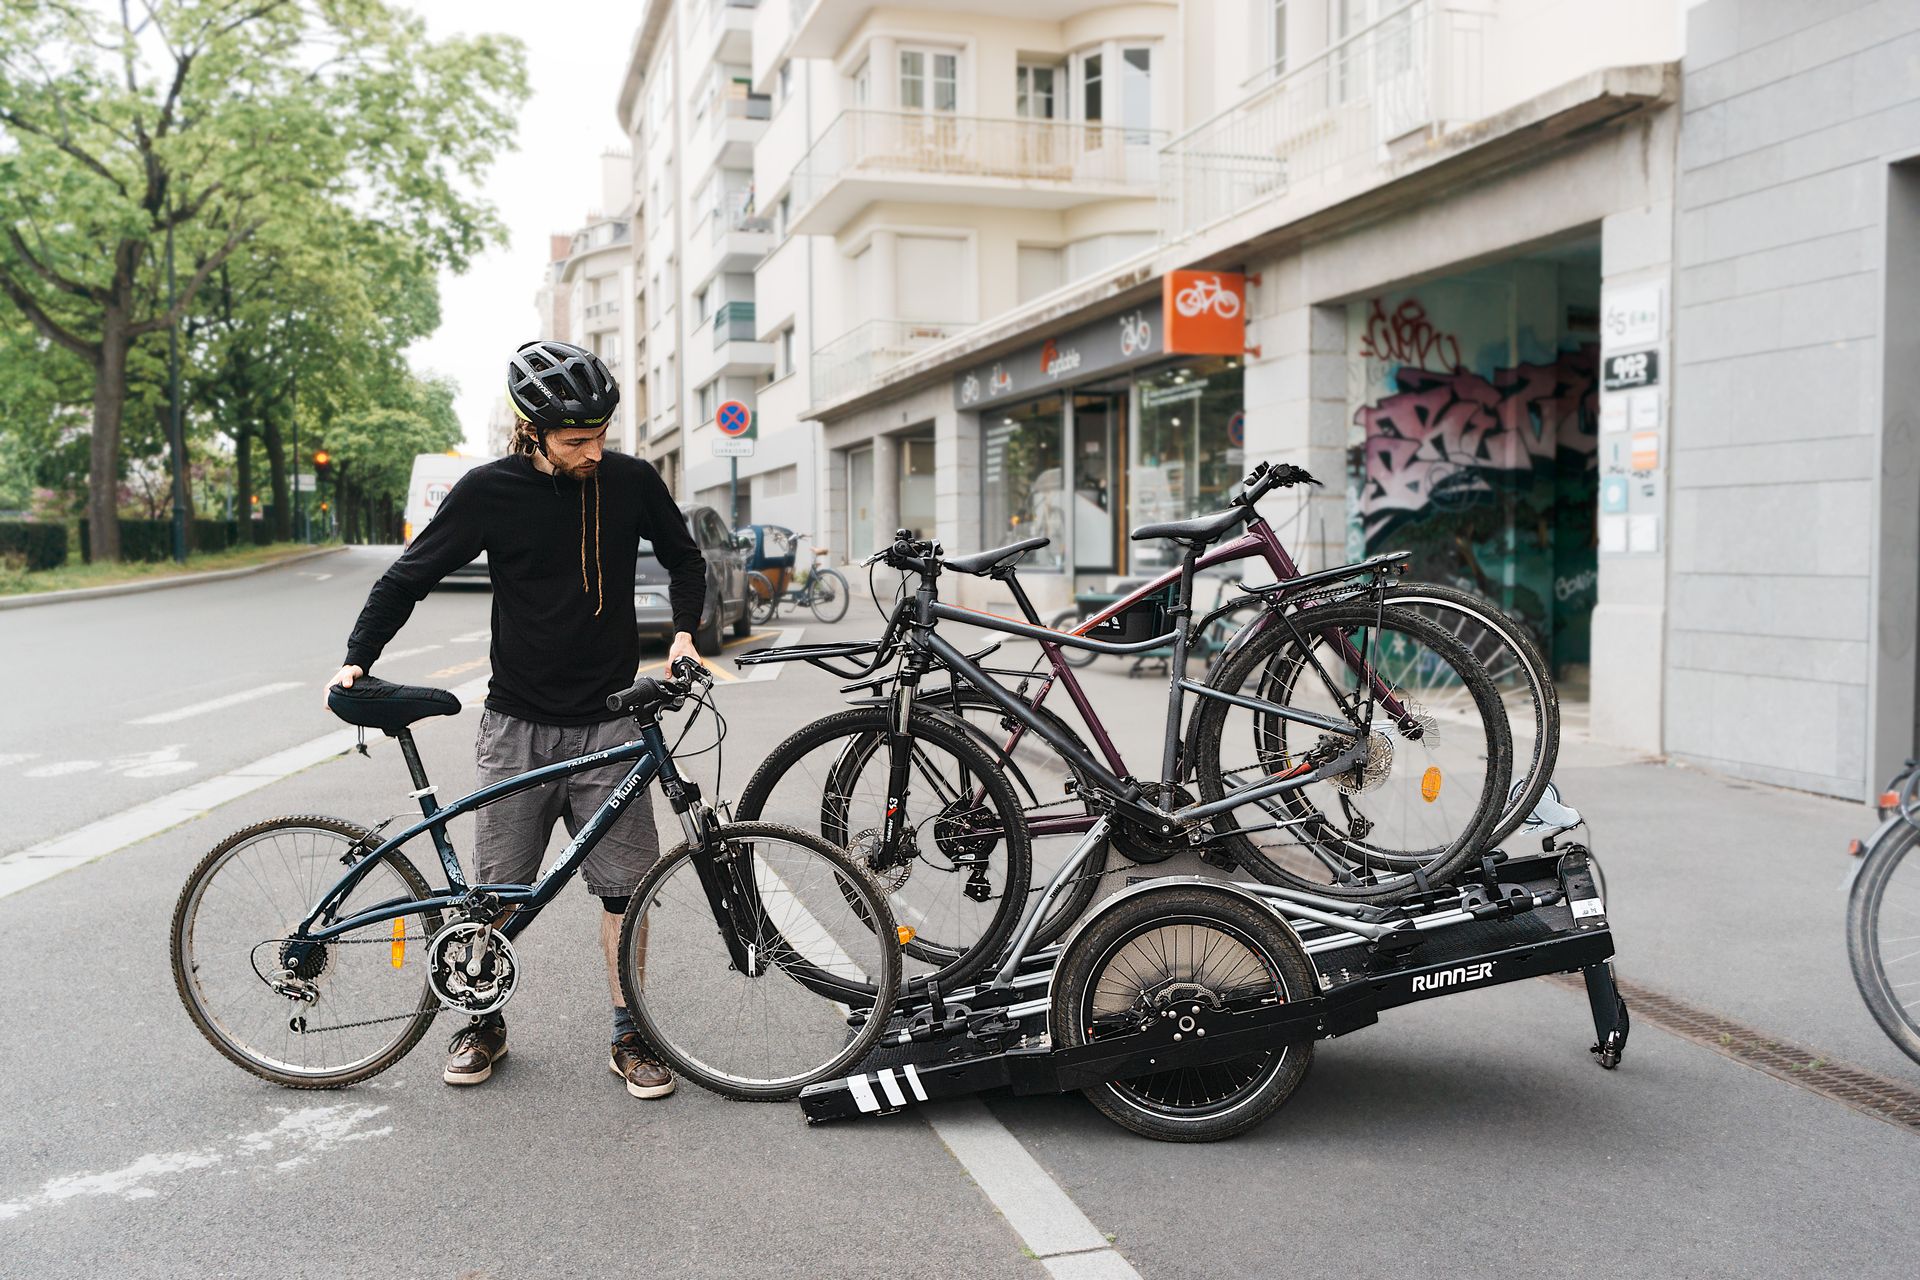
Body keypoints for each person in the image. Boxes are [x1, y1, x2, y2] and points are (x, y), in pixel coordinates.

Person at [326, 339, 705, 1099]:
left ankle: (631, 1034)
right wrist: (357, 656)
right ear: (531, 429)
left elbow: (684, 557)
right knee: (495, 897)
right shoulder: (488, 491)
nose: (595, 451)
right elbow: (411, 575)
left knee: (626, 896)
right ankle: (483, 1022)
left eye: (601, 435)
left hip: (611, 723)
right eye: (577, 440)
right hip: (517, 725)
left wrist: (687, 634)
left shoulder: (629, 480)